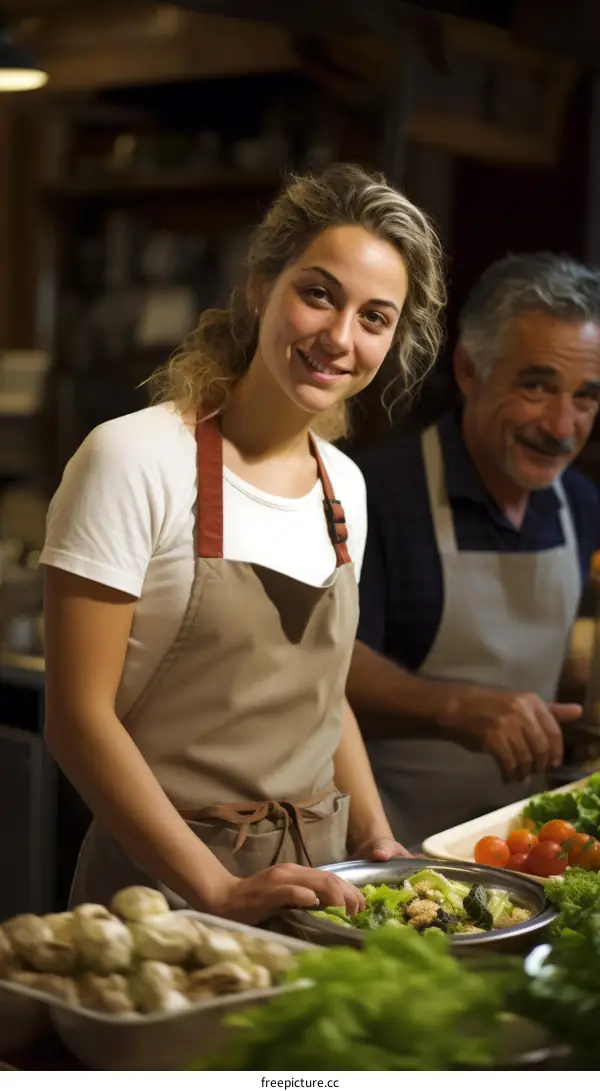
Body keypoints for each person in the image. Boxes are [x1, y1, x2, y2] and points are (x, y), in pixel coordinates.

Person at [40, 163, 445, 924]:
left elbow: (323, 699)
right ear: (261, 285)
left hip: (321, 891)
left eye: (374, 317)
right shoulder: (133, 459)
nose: (338, 337)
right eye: (318, 293)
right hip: (160, 902)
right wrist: (218, 888)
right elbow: (76, 717)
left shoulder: (344, 488)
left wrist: (376, 834)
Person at [348, 252, 600, 847]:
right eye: (537, 386)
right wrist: (457, 706)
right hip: (386, 848)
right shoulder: (375, 493)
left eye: (586, 397)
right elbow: (321, 667)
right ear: (468, 370)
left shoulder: (583, 504)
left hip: (523, 850)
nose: (562, 427)